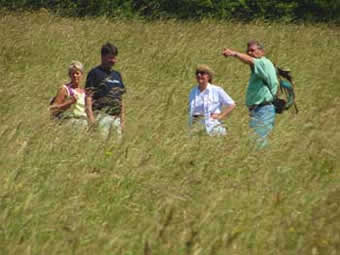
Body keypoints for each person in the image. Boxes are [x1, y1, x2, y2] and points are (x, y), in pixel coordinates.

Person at [222, 40, 278, 147]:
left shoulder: (263, 63)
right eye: (248, 51)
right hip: (257, 110)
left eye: (252, 50)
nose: (250, 53)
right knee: (255, 140)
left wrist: (234, 53)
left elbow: (250, 60)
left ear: (262, 51)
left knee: (258, 141)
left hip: (263, 109)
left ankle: (261, 161)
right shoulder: (258, 68)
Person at [85, 42, 126, 139]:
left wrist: (122, 120)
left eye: (114, 58)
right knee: (101, 144)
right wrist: (91, 117)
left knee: (116, 146)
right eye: (110, 58)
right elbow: (88, 97)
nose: (113, 60)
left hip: (116, 118)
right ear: (102, 57)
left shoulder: (117, 75)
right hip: (101, 116)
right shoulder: (94, 73)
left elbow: (121, 99)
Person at [188, 64, 236, 136]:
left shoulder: (216, 90)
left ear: (208, 76)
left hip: (213, 126)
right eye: (197, 73)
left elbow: (232, 104)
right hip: (196, 126)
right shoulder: (193, 91)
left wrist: (220, 116)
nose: (199, 75)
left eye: (202, 73)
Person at [49, 61, 87, 127]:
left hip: (83, 124)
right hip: (69, 123)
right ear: (69, 75)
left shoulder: (84, 91)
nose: (75, 76)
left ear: (82, 74)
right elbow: (53, 110)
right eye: (72, 74)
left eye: (77, 73)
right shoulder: (65, 89)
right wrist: (68, 103)